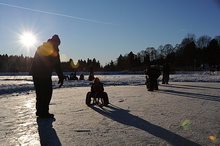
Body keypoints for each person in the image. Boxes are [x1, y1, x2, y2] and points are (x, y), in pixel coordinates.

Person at [29, 34, 64, 118]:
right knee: (46, 93)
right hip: (44, 74)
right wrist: (61, 76)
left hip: (35, 73)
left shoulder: (41, 47)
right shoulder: (53, 49)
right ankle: (44, 112)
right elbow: (57, 64)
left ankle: (39, 111)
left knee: (39, 93)